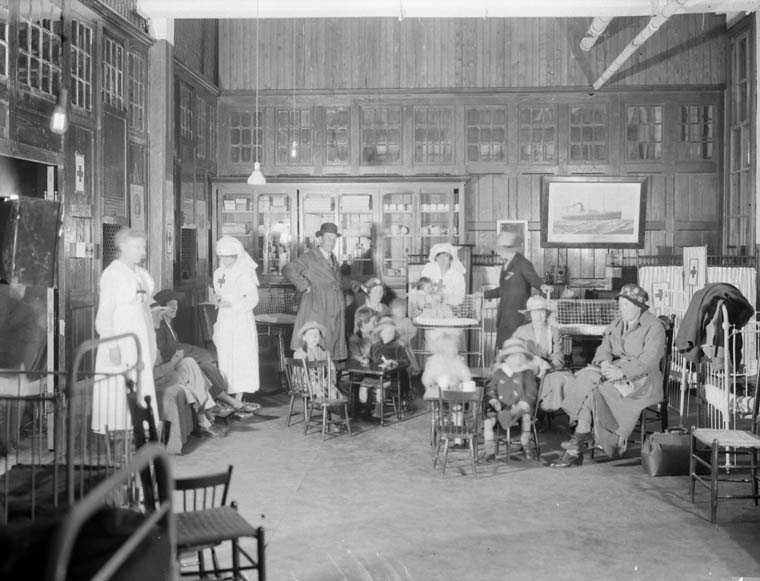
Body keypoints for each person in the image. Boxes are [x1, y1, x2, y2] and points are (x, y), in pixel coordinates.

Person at [551, 284, 666, 468]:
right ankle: (581, 438)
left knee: (597, 390)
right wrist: (604, 363)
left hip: (643, 379)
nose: (622, 309)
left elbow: (650, 360)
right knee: (583, 378)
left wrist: (623, 372)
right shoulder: (617, 323)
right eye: (620, 305)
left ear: (639, 306)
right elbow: (604, 348)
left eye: (626, 305)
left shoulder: (654, 326)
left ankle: (581, 443)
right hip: (614, 369)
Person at [153, 289, 259, 418]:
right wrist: (178, 359)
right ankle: (231, 403)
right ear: (162, 308)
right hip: (170, 366)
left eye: (176, 304)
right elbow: (162, 354)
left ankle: (225, 403)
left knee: (207, 364)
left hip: (179, 360)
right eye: (171, 305)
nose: (175, 308)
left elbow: (176, 347)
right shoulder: (159, 327)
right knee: (200, 369)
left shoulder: (169, 325)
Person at [92, 228, 158, 433]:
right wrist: (111, 345)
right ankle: (120, 433)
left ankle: (141, 430)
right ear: (123, 246)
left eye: (143, 246)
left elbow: (145, 302)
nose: (143, 251)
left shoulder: (140, 273)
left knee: (141, 382)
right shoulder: (113, 273)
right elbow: (105, 314)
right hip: (121, 338)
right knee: (120, 386)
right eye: (138, 247)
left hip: (140, 335)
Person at [283, 222, 358, 361]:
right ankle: (313, 379)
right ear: (320, 239)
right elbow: (288, 269)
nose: (332, 242)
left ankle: (328, 378)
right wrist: (304, 285)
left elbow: (337, 280)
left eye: (334, 239)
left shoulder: (332, 257)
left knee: (330, 344)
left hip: (333, 306)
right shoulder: (310, 256)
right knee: (316, 344)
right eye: (328, 238)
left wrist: (354, 284)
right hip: (317, 306)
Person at [484, 231, 552, 350]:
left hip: (517, 317)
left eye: (499, 249)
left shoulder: (522, 263)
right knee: (504, 350)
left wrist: (542, 286)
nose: (498, 252)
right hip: (505, 316)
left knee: (517, 349)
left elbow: (533, 279)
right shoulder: (506, 265)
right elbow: (504, 290)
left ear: (508, 249)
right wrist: (484, 294)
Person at [213, 236, 260, 398]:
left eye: (228, 256)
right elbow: (219, 293)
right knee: (225, 354)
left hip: (240, 320)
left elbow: (253, 299)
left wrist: (233, 306)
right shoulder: (218, 273)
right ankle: (226, 391)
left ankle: (240, 394)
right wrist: (218, 300)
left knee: (240, 355)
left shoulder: (244, 273)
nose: (224, 260)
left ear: (236, 255)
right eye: (221, 257)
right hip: (224, 319)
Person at [483, 338, 541, 461]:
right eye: (513, 356)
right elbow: (490, 389)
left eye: (519, 356)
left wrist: (522, 404)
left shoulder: (527, 373)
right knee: (488, 421)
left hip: (519, 407)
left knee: (526, 417)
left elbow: (531, 392)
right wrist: (493, 400)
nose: (516, 359)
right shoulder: (499, 372)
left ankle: (525, 444)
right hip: (501, 407)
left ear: (523, 357)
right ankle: (489, 450)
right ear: (506, 358)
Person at [511, 295, 572, 412]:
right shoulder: (521, 331)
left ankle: (540, 411)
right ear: (529, 315)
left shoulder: (553, 331)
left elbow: (558, 356)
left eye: (542, 312)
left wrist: (548, 367)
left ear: (546, 314)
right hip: (525, 368)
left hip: (547, 370)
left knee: (559, 380)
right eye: (535, 312)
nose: (538, 316)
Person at [293, 320, 345, 433]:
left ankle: (337, 419)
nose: (314, 337)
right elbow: (301, 372)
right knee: (322, 390)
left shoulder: (323, 351)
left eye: (317, 334)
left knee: (333, 390)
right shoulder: (300, 352)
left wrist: (330, 378)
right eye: (311, 335)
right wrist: (317, 380)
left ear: (320, 337)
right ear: (304, 337)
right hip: (305, 382)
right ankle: (329, 418)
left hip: (321, 381)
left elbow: (331, 366)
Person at [368, 317, 411, 418]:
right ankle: (364, 412)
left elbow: (406, 361)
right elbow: (369, 358)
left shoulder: (398, 347)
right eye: (386, 332)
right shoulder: (375, 346)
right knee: (363, 387)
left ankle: (378, 414)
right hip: (375, 376)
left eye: (391, 333)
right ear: (381, 334)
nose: (389, 335)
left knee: (380, 388)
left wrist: (395, 362)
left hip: (394, 378)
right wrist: (365, 359)